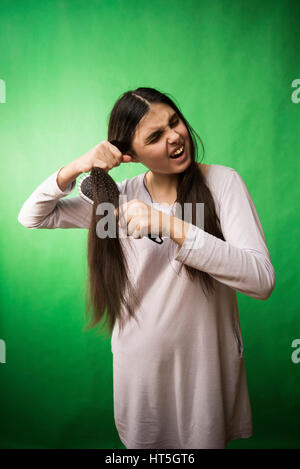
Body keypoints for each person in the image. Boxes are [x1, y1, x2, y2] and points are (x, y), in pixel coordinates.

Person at [17, 87, 275, 449]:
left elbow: (261, 280)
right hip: (139, 374)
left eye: (174, 122)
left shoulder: (222, 184)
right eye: (155, 136)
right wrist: (75, 167)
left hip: (205, 371)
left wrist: (171, 225)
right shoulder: (117, 200)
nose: (174, 137)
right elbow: (33, 216)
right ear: (130, 154)